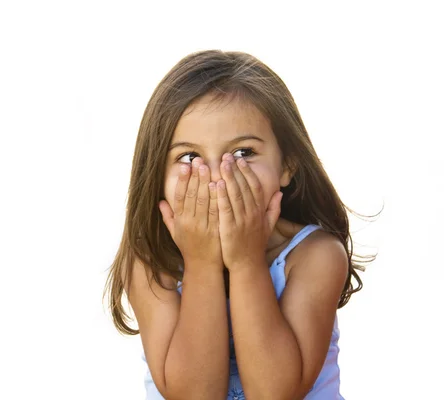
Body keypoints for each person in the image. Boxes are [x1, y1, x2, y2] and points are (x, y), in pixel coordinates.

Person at [104, 49, 375, 400]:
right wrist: (203, 265)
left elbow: (274, 393)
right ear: (156, 174)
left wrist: (246, 261)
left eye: (243, 153)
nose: (218, 176)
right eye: (190, 157)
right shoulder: (150, 264)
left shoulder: (316, 257)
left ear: (287, 166)